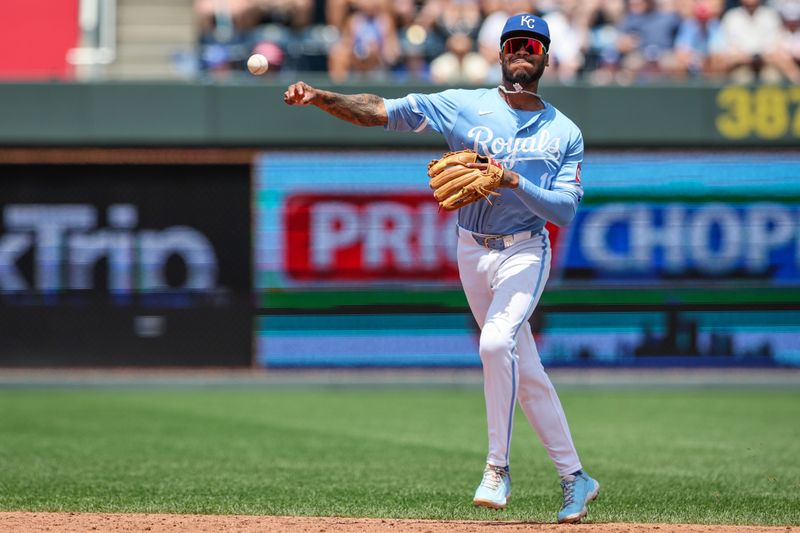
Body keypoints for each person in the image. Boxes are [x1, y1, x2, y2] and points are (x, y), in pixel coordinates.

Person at [283, 13, 599, 524]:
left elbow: (563, 210)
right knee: (526, 369)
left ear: (546, 56)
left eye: (533, 45)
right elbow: (381, 110)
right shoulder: (461, 104)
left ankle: (497, 467)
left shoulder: (565, 132)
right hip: (471, 248)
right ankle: (576, 478)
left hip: (525, 250)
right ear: (499, 54)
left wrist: (512, 181)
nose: (523, 50)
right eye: (514, 43)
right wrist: (323, 98)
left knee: (496, 344)